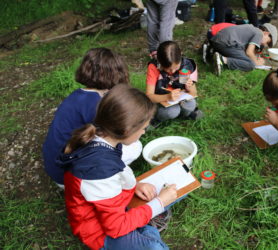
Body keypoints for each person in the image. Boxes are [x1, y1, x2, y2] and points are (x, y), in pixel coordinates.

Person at [58, 84, 177, 249]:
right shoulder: (98, 170)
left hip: (114, 206)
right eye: (143, 128)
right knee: (155, 246)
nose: (144, 132)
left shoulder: (104, 138)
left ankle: (145, 227)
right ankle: (148, 230)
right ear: (126, 129)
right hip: (98, 232)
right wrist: (159, 203)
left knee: (173, 191)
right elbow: (116, 227)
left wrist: (135, 185)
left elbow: (115, 174)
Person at [42, 48, 140, 188]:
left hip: (55, 166)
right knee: (135, 146)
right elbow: (115, 138)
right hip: (70, 177)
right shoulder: (97, 106)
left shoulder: (78, 95)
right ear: (117, 74)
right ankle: (109, 180)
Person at [146, 41, 203, 125]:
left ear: (180, 56)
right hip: (162, 99)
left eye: (176, 67)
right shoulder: (153, 67)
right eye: (167, 69)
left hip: (180, 98)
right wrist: (167, 97)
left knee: (191, 104)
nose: (172, 71)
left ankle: (185, 113)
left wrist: (189, 87)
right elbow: (149, 96)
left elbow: (193, 93)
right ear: (160, 62)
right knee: (172, 111)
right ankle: (156, 118)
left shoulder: (186, 66)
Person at [210, 23, 278, 74]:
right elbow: (249, 52)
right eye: (267, 42)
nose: (265, 45)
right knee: (250, 65)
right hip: (225, 44)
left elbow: (246, 50)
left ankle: (212, 51)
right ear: (266, 33)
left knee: (247, 58)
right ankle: (222, 59)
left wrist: (255, 57)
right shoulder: (259, 34)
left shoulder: (253, 29)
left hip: (217, 40)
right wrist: (256, 62)